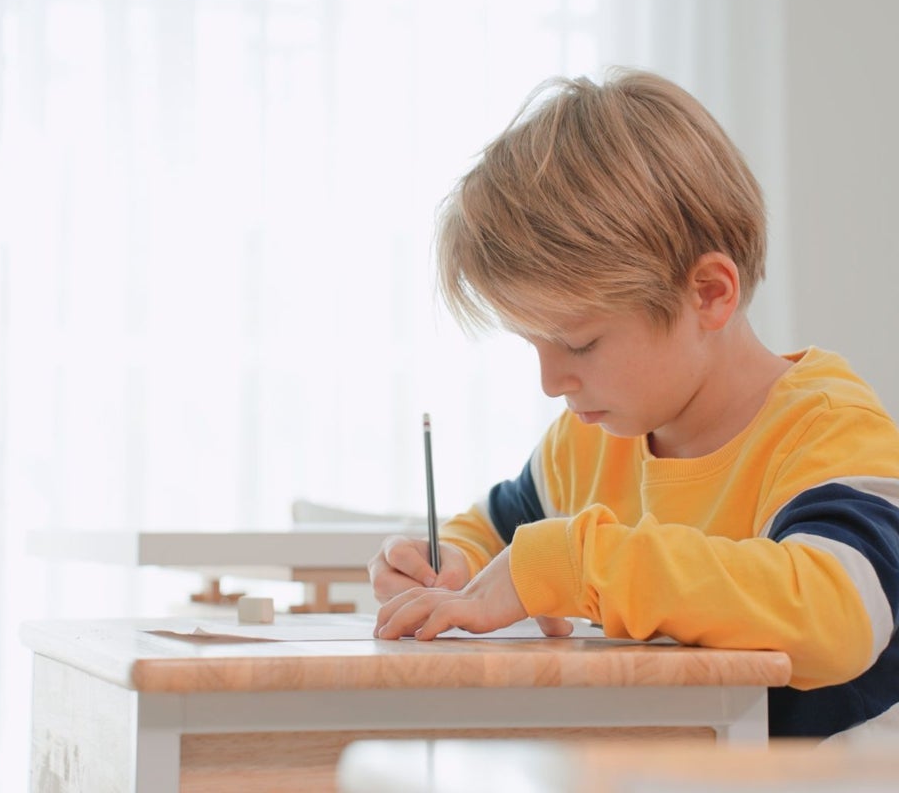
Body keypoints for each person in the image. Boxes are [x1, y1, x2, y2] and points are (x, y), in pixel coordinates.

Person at [368, 68, 899, 741]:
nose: (552, 381)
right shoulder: (588, 441)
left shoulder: (828, 431)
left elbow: (840, 616)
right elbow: (505, 537)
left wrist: (579, 565)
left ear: (708, 293)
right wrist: (450, 566)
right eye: (534, 345)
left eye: (580, 343)